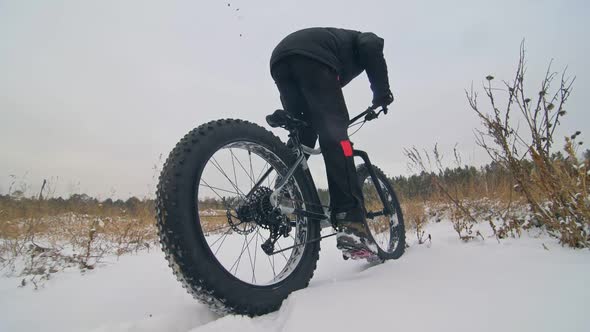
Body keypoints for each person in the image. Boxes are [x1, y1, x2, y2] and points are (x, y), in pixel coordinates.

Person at [268, 27, 394, 260]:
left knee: (304, 135)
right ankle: (351, 223)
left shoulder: (337, 46)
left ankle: (284, 189)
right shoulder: (364, 39)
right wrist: (382, 94)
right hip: (311, 57)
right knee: (336, 136)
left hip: (280, 62)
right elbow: (371, 46)